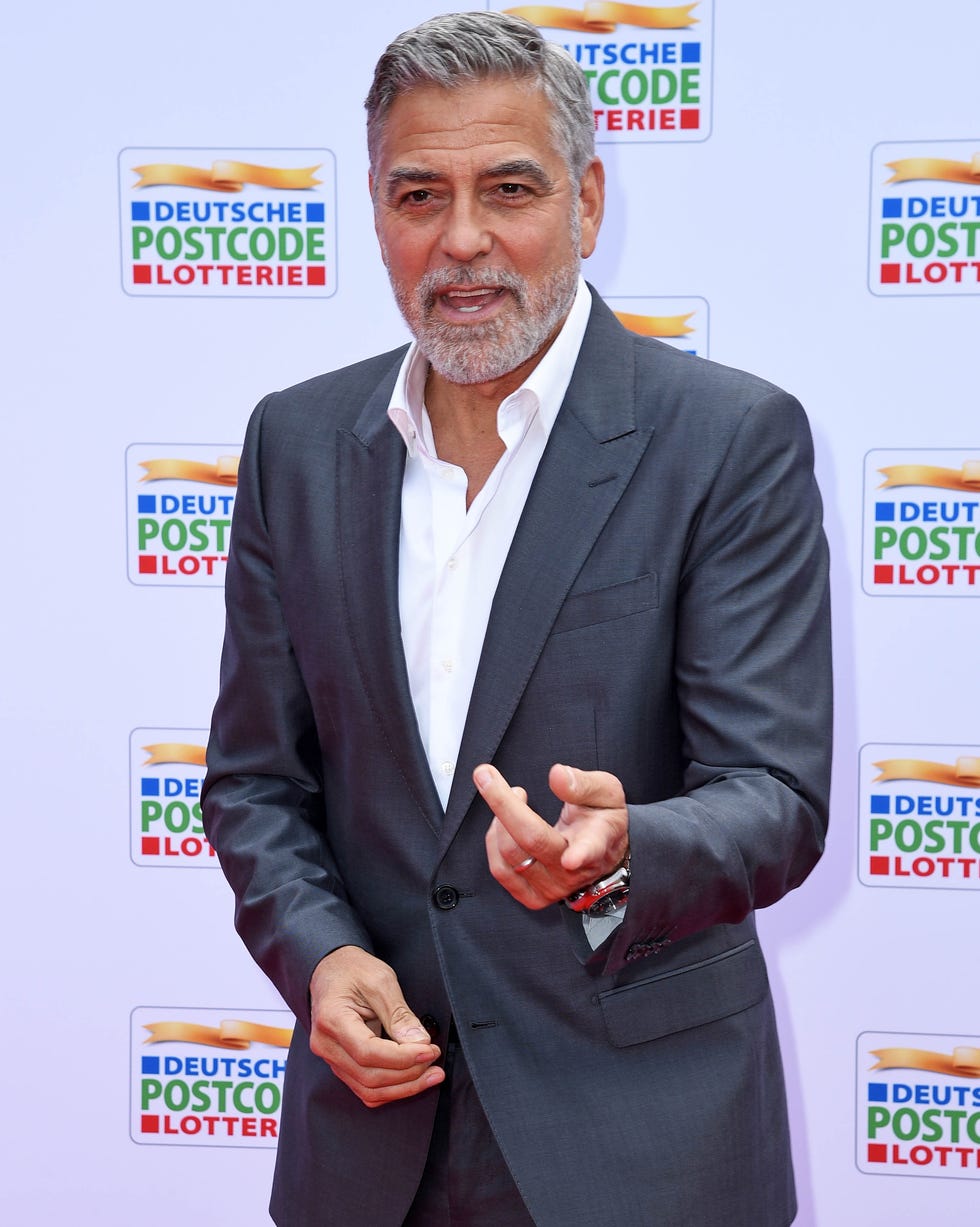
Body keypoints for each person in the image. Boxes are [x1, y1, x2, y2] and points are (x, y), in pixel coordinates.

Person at [202, 10, 832, 1226]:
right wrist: (322, 961)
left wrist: (629, 846)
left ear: (586, 202)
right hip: (369, 1138)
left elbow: (775, 797)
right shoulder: (296, 441)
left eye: (508, 188)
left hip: (644, 1143)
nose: (463, 241)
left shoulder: (725, 439)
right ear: (376, 211)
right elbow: (252, 783)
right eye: (416, 194)